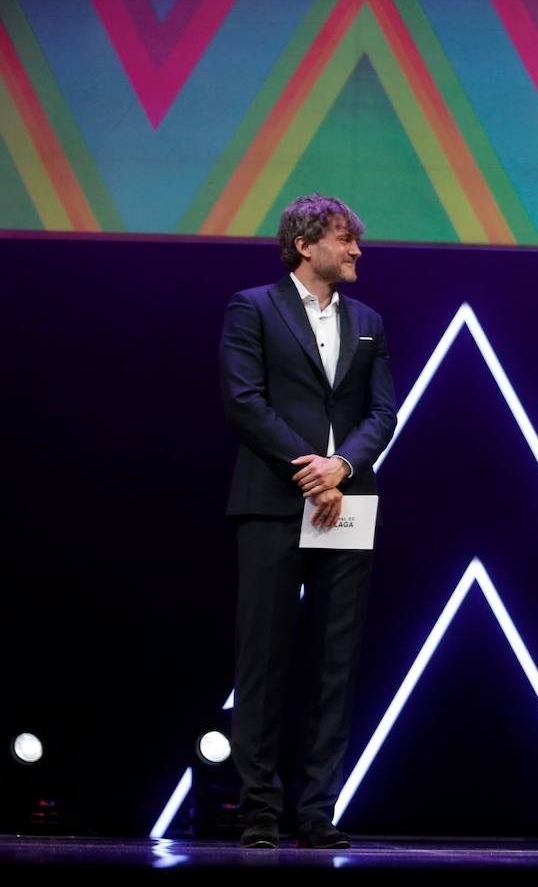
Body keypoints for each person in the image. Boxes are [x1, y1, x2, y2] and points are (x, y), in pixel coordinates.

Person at [219, 194, 397, 849]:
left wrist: (342, 468)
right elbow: (244, 400)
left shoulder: (369, 320)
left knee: (335, 661)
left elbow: (383, 411)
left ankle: (316, 808)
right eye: (345, 239)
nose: (356, 251)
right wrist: (309, 468)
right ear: (305, 244)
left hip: (347, 504)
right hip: (274, 498)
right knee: (262, 656)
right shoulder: (253, 307)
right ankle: (260, 809)